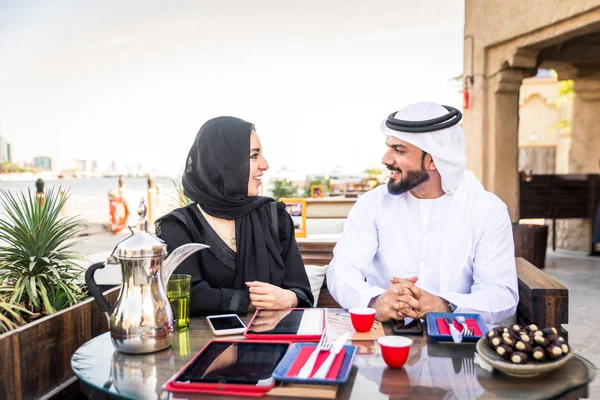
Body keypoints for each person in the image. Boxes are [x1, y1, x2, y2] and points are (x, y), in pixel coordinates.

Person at [326, 102, 518, 325]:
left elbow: (500, 293)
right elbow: (342, 270)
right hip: (383, 336)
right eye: (389, 147)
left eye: (399, 150)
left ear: (434, 160)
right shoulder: (372, 204)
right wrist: (374, 301)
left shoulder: (487, 210)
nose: (386, 159)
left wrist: (445, 306)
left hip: (457, 338)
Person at [156, 116, 313, 316]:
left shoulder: (275, 217)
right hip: (201, 344)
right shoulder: (179, 226)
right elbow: (188, 294)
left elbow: (300, 290)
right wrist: (248, 301)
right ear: (224, 162)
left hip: (273, 341)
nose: (265, 165)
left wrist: (289, 299)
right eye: (254, 156)